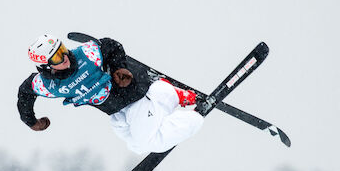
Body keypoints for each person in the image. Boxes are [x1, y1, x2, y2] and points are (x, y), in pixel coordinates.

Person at [18, 34, 204, 154]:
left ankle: (192, 117)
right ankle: (164, 96)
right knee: (133, 143)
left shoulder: (87, 54)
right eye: (57, 56)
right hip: (117, 111)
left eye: (63, 49)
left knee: (147, 144)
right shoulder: (49, 85)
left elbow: (111, 45)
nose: (66, 57)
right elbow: (24, 92)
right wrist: (31, 121)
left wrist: (119, 67)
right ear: (46, 66)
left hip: (136, 96)